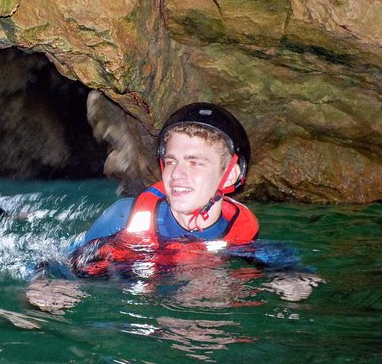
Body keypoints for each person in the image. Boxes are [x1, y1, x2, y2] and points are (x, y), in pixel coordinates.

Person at [70, 102, 258, 277]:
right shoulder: (122, 217)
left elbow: (278, 266)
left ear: (231, 175)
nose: (176, 173)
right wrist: (50, 284)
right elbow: (62, 262)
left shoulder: (240, 234)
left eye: (195, 162)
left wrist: (286, 280)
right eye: (171, 161)